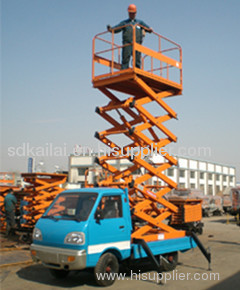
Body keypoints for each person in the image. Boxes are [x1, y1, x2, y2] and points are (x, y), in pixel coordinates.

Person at [107, 4, 153, 69]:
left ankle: (137, 72)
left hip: (137, 44)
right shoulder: (125, 23)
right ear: (128, 13)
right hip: (127, 44)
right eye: (130, 13)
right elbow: (117, 28)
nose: (131, 14)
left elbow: (148, 28)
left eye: (133, 13)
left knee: (137, 59)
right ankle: (124, 72)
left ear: (135, 13)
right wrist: (111, 29)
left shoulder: (139, 22)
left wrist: (150, 29)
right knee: (125, 59)